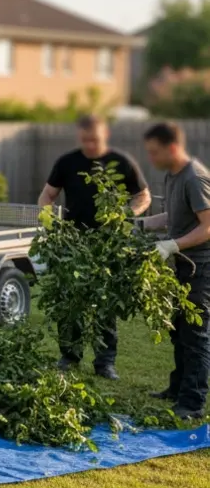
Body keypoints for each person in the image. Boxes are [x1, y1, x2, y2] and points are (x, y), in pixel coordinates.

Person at [37, 114, 150, 379]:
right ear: (80, 136)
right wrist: (47, 219)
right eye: (86, 140)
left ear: (105, 135)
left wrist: (126, 215)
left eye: (95, 140)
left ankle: (105, 363)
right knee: (70, 302)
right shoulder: (67, 162)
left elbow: (143, 196)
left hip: (108, 245)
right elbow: (47, 195)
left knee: (105, 304)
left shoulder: (121, 162)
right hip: (72, 243)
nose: (90, 145)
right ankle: (69, 355)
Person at [137, 121, 210, 421]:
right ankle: (178, 388)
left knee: (196, 335)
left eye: (154, 153)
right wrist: (141, 224)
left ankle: (192, 404)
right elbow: (176, 214)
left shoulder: (195, 177)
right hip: (181, 265)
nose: (150, 159)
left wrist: (173, 246)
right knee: (178, 330)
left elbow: (208, 226)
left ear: (171, 148)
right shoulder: (173, 175)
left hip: (202, 267)